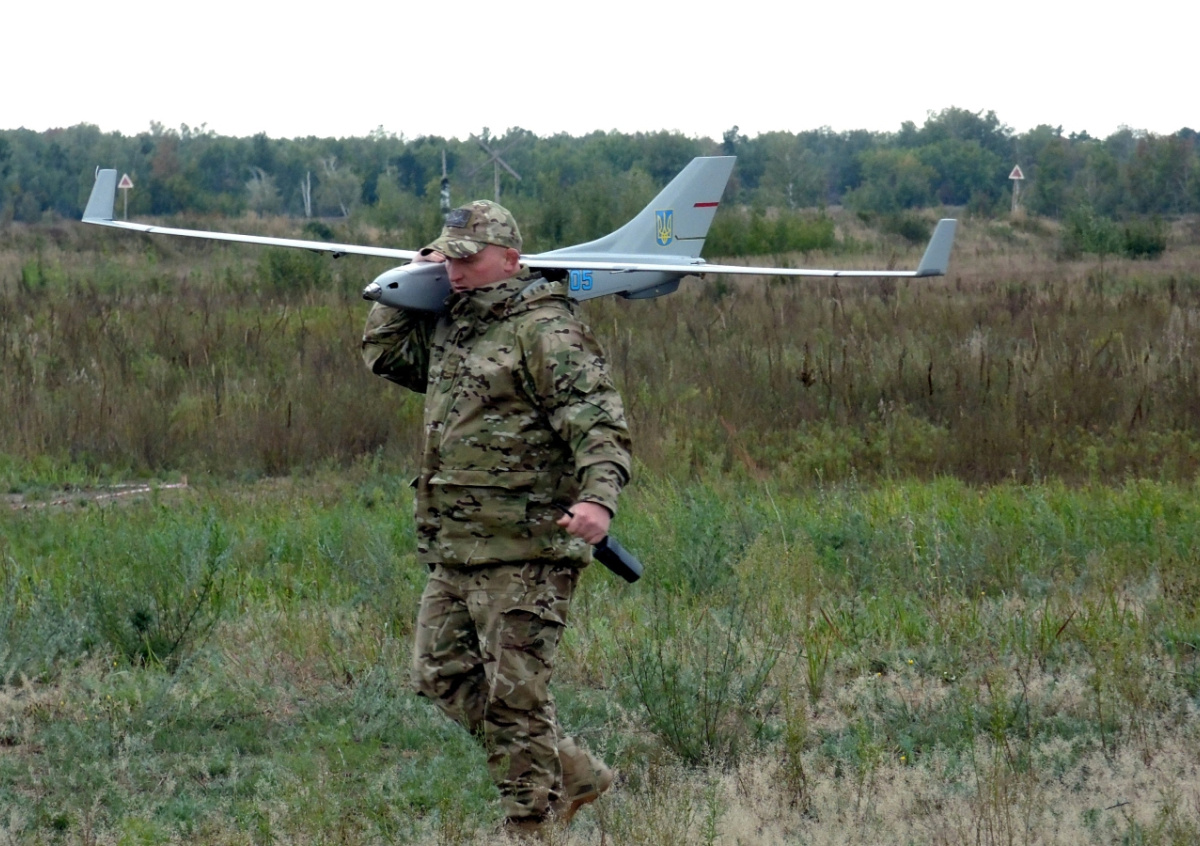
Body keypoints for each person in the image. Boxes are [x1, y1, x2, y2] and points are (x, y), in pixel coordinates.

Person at [361, 200, 632, 836]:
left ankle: (531, 823)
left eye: (467, 258)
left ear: (510, 260)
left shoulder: (546, 329)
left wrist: (597, 499)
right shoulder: (455, 325)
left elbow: (598, 422)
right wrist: (408, 280)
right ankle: (572, 772)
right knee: (441, 675)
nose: (453, 271)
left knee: (516, 700)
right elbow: (386, 354)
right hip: (456, 544)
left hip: (527, 547)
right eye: (447, 258)